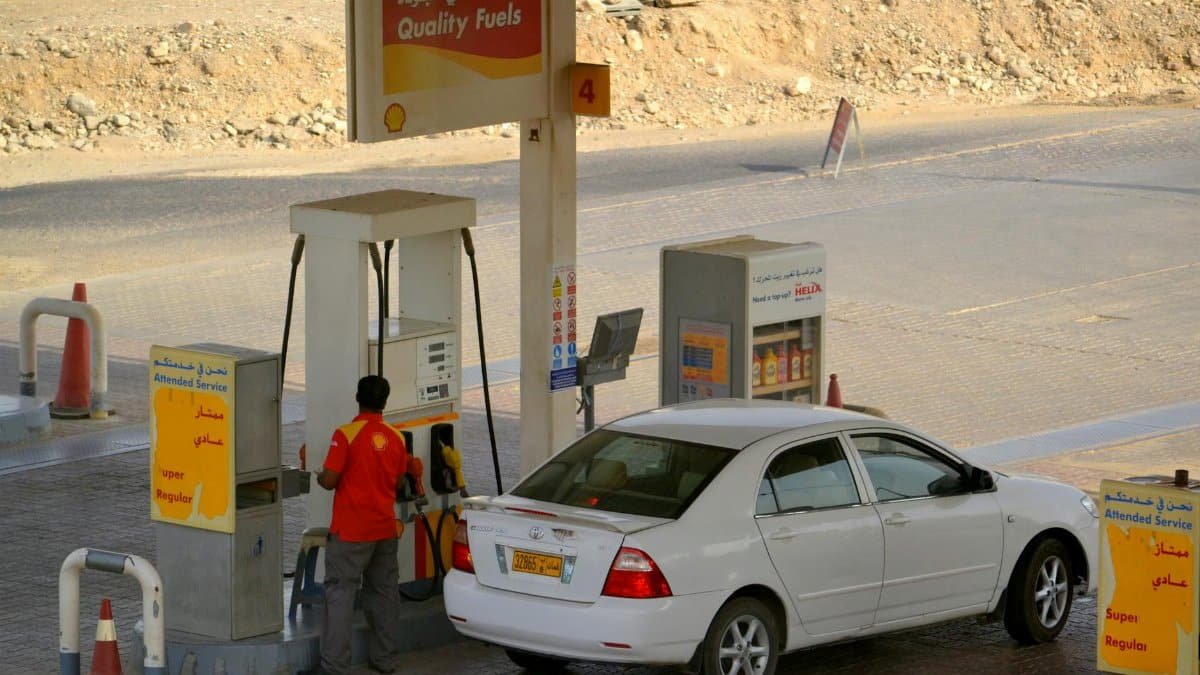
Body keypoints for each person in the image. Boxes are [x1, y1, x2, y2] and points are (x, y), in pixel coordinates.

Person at [303, 375, 412, 675]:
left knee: (339, 594)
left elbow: (330, 480)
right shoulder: (397, 437)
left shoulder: (345, 434)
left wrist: (318, 473)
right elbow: (400, 479)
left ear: (357, 398)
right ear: (385, 402)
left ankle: (334, 666)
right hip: (384, 530)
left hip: (350, 532)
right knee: (384, 594)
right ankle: (385, 660)